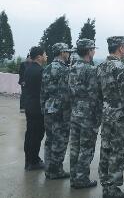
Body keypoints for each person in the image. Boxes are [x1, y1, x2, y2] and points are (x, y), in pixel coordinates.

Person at [97, 36, 124, 198]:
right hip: (120, 117)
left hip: (106, 115)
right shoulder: (122, 69)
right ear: (120, 48)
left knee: (106, 149)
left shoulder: (100, 67)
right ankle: (112, 190)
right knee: (118, 153)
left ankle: (106, 186)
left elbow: (97, 94)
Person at [68, 39, 102, 189]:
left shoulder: (72, 67)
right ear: (89, 51)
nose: (94, 51)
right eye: (93, 49)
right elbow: (96, 94)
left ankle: (74, 177)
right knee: (86, 148)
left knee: (75, 147)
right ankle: (82, 179)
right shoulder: (91, 70)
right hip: (88, 114)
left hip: (75, 111)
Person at [41, 43, 74, 179]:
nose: (69, 54)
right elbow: (66, 94)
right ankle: (56, 171)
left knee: (50, 140)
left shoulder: (47, 68)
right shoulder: (64, 70)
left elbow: (42, 92)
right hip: (60, 111)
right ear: (62, 53)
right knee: (60, 141)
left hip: (48, 108)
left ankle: (49, 168)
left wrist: (43, 107)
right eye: (67, 52)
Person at [23, 46, 47, 170]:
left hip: (29, 104)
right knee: (36, 135)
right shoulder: (40, 71)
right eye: (44, 54)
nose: (46, 56)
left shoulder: (28, 68)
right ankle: (34, 161)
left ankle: (28, 160)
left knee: (30, 134)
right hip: (38, 107)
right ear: (39, 56)